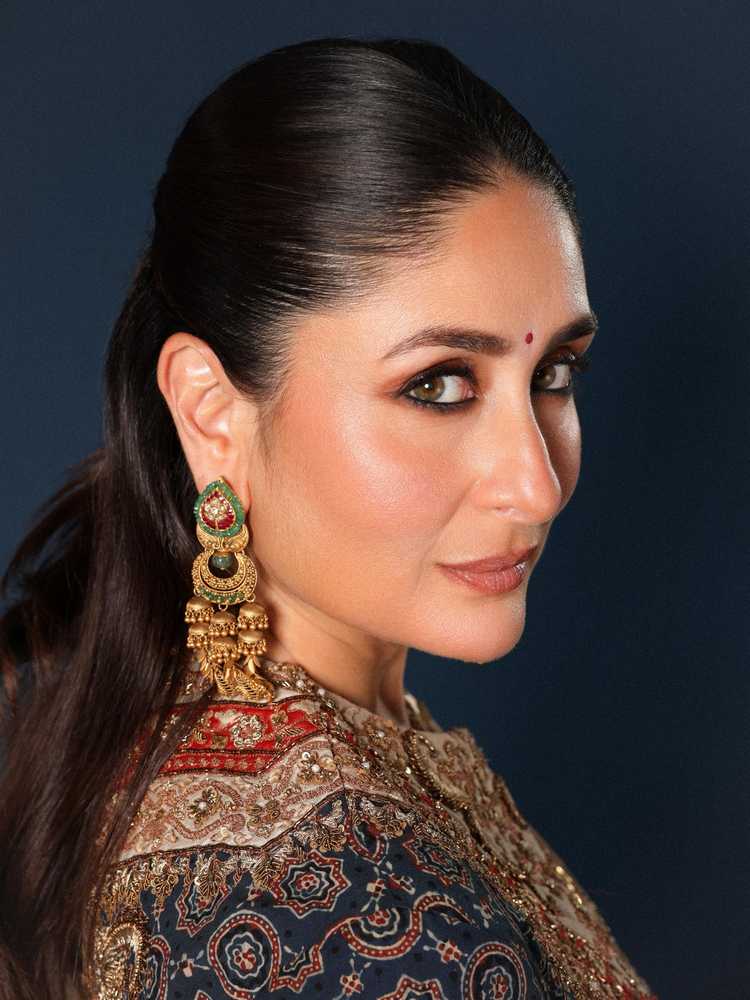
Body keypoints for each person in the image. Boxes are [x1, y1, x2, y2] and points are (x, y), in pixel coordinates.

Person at [0, 36, 658, 1000]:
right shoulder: (373, 930)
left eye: (554, 373)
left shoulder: (125, 722)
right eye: (439, 385)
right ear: (211, 412)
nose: (537, 484)